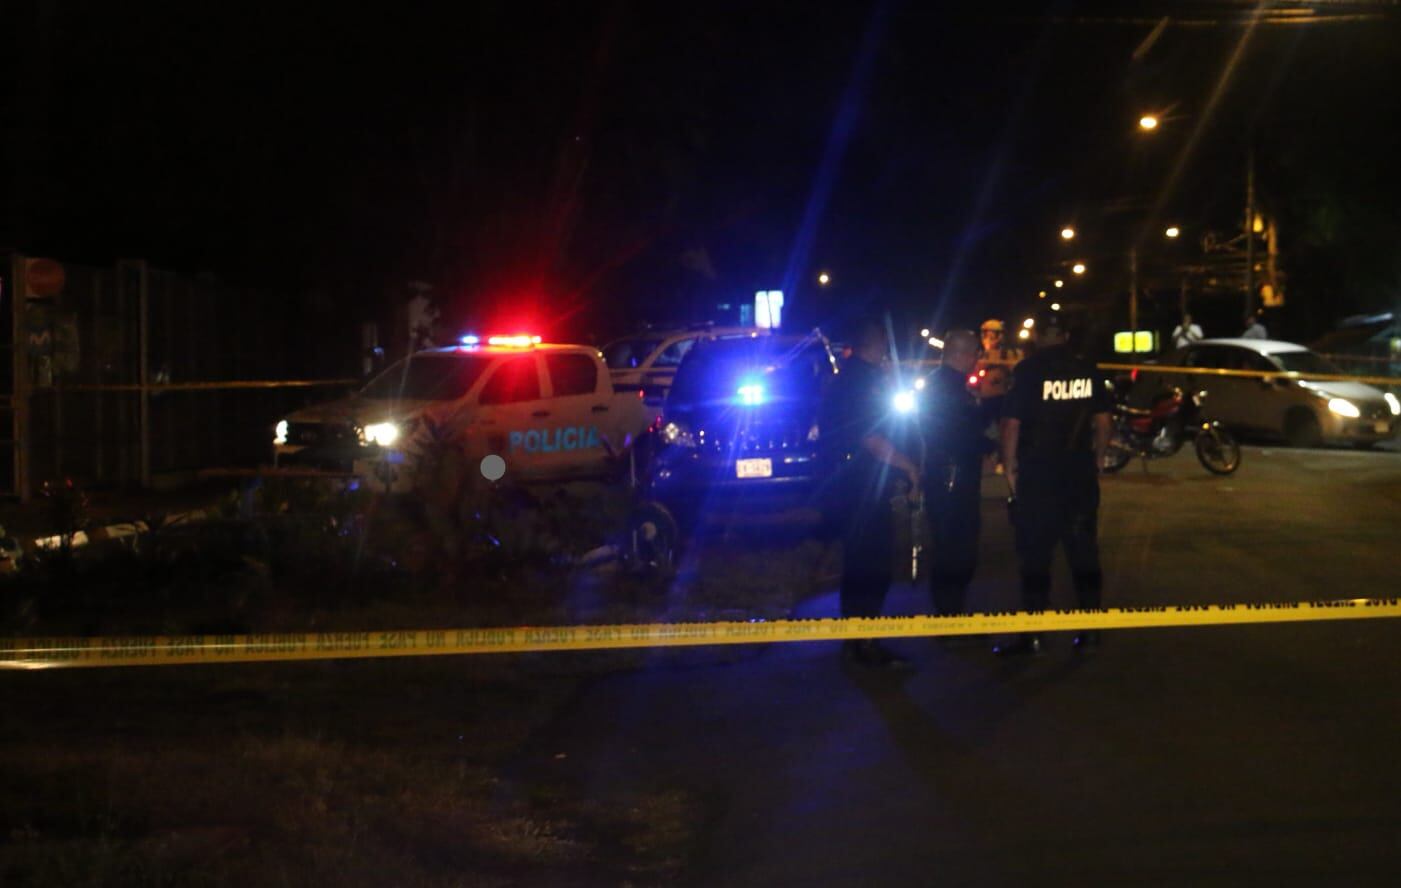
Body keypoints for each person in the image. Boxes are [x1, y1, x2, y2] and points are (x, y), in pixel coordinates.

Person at [997, 309, 1112, 655]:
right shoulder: (1087, 369)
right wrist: (1098, 458)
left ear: (1039, 337)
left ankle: (1034, 634)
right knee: (1084, 551)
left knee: (1035, 555)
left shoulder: (1028, 371)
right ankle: (1091, 630)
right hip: (1078, 473)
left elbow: (1011, 424)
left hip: (1039, 475)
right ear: (1064, 336)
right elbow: (1104, 421)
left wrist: (1010, 468)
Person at [818, 317, 921, 669]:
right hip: (862, 485)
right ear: (875, 345)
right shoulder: (862, 382)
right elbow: (873, 438)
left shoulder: (847, 378)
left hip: (848, 483)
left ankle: (855, 641)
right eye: (884, 346)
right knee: (872, 566)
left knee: (858, 564)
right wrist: (909, 466)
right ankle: (866, 643)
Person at [922, 329, 996, 617]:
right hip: (951, 477)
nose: (977, 359)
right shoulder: (948, 389)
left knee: (955, 546)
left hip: (948, 475)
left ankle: (952, 611)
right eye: (975, 353)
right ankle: (949, 616)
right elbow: (960, 432)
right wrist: (990, 444)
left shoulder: (943, 384)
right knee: (956, 547)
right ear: (962, 354)